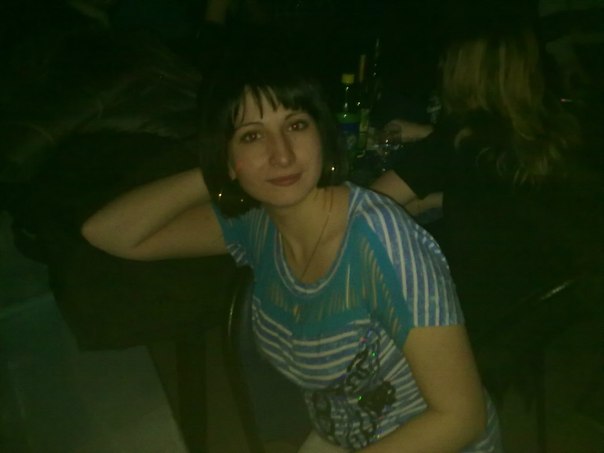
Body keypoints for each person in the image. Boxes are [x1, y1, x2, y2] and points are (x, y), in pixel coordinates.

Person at [81, 43, 502, 452]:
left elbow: (461, 419)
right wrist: (217, 170)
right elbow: (112, 233)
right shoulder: (257, 225)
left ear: (322, 132)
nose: (281, 155)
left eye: (296, 125)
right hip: (346, 436)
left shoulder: (383, 244)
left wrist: (242, 157)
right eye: (252, 136)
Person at [371, 17, 603, 368]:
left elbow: (367, 203)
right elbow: (505, 201)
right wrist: (433, 196)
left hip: (474, 316)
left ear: (461, 74)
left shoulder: (455, 143)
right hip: (545, 302)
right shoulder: (551, 130)